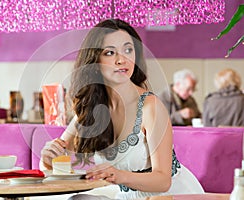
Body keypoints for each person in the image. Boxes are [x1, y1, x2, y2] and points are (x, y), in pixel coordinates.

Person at [40, 19, 204, 199]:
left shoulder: (151, 107)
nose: (121, 60)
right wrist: (48, 159)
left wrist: (118, 176)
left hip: (167, 195)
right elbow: (57, 158)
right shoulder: (90, 108)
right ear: (94, 60)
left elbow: (163, 181)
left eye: (128, 50)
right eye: (110, 52)